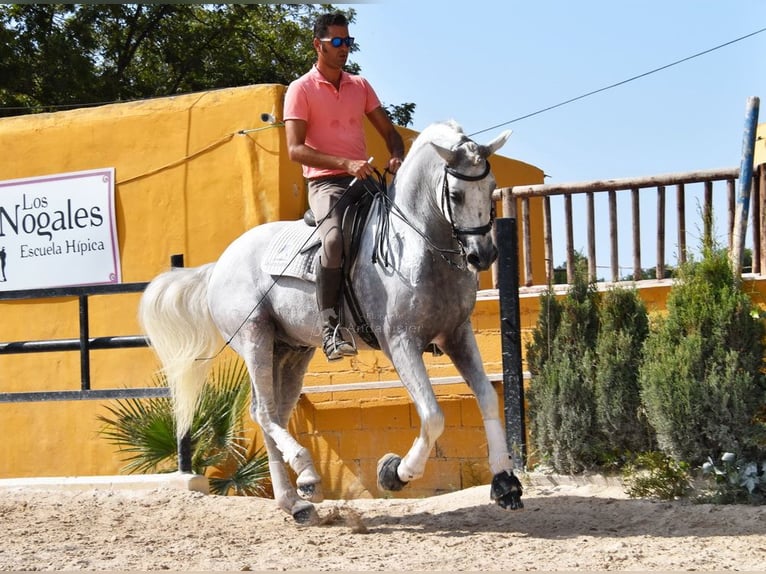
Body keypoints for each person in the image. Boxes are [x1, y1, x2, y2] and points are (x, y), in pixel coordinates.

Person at [284, 12, 405, 362]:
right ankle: (331, 328)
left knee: (406, 229)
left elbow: (390, 132)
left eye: (347, 42)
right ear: (317, 45)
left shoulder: (360, 86)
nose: (343, 49)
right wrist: (345, 163)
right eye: (336, 42)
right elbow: (295, 149)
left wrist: (396, 155)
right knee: (334, 241)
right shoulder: (300, 89)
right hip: (326, 185)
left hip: (364, 181)